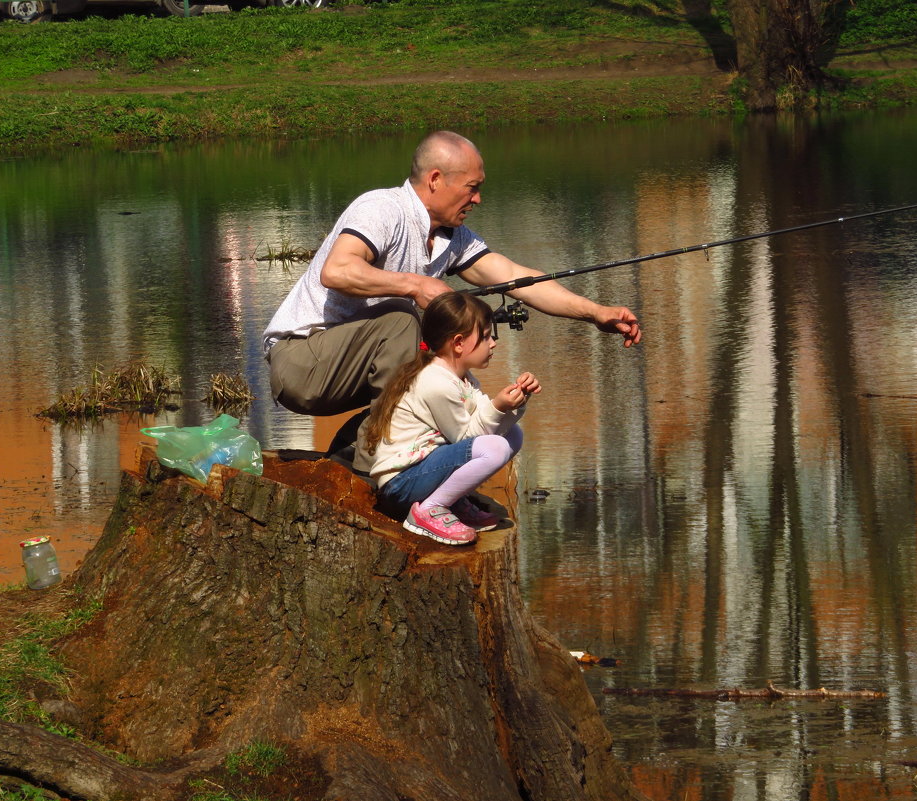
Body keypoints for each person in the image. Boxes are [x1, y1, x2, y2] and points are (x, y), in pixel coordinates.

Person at [261, 130, 640, 454]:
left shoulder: (452, 238)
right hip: (301, 364)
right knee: (401, 319)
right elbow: (337, 270)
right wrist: (416, 284)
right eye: (472, 189)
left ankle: (357, 449)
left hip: (346, 368)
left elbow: (517, 278)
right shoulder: (383, 208)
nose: (477, 200)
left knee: (442, 353)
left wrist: (595, 313)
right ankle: (381, 463)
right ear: (436, 179)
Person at [357, 292, 539, 545]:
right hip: (401, 485)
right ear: (458, 343)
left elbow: (486, 423)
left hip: (421, 474)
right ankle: (429, 510)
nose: (493, 343)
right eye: (485, 336)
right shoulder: (435, 382)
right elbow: (466, 438)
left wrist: (517, 402)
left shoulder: (461, 377)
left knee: (512, 435)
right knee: (495, 446)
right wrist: (499, 406)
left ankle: (450, 501)